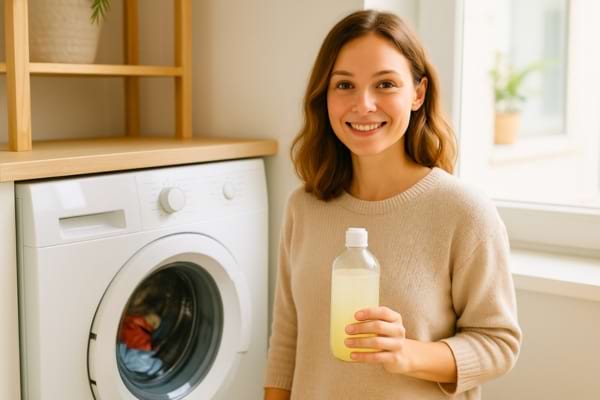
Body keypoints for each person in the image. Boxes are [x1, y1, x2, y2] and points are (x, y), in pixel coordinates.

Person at [264, 9, 521, 400]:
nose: (363, 104)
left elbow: (499, 343)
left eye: (385, 84)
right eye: (344, 85)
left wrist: (409, 354)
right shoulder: (304, 206)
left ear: (418, 93)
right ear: (325, 96)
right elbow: (286, 341)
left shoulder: (463, 211)